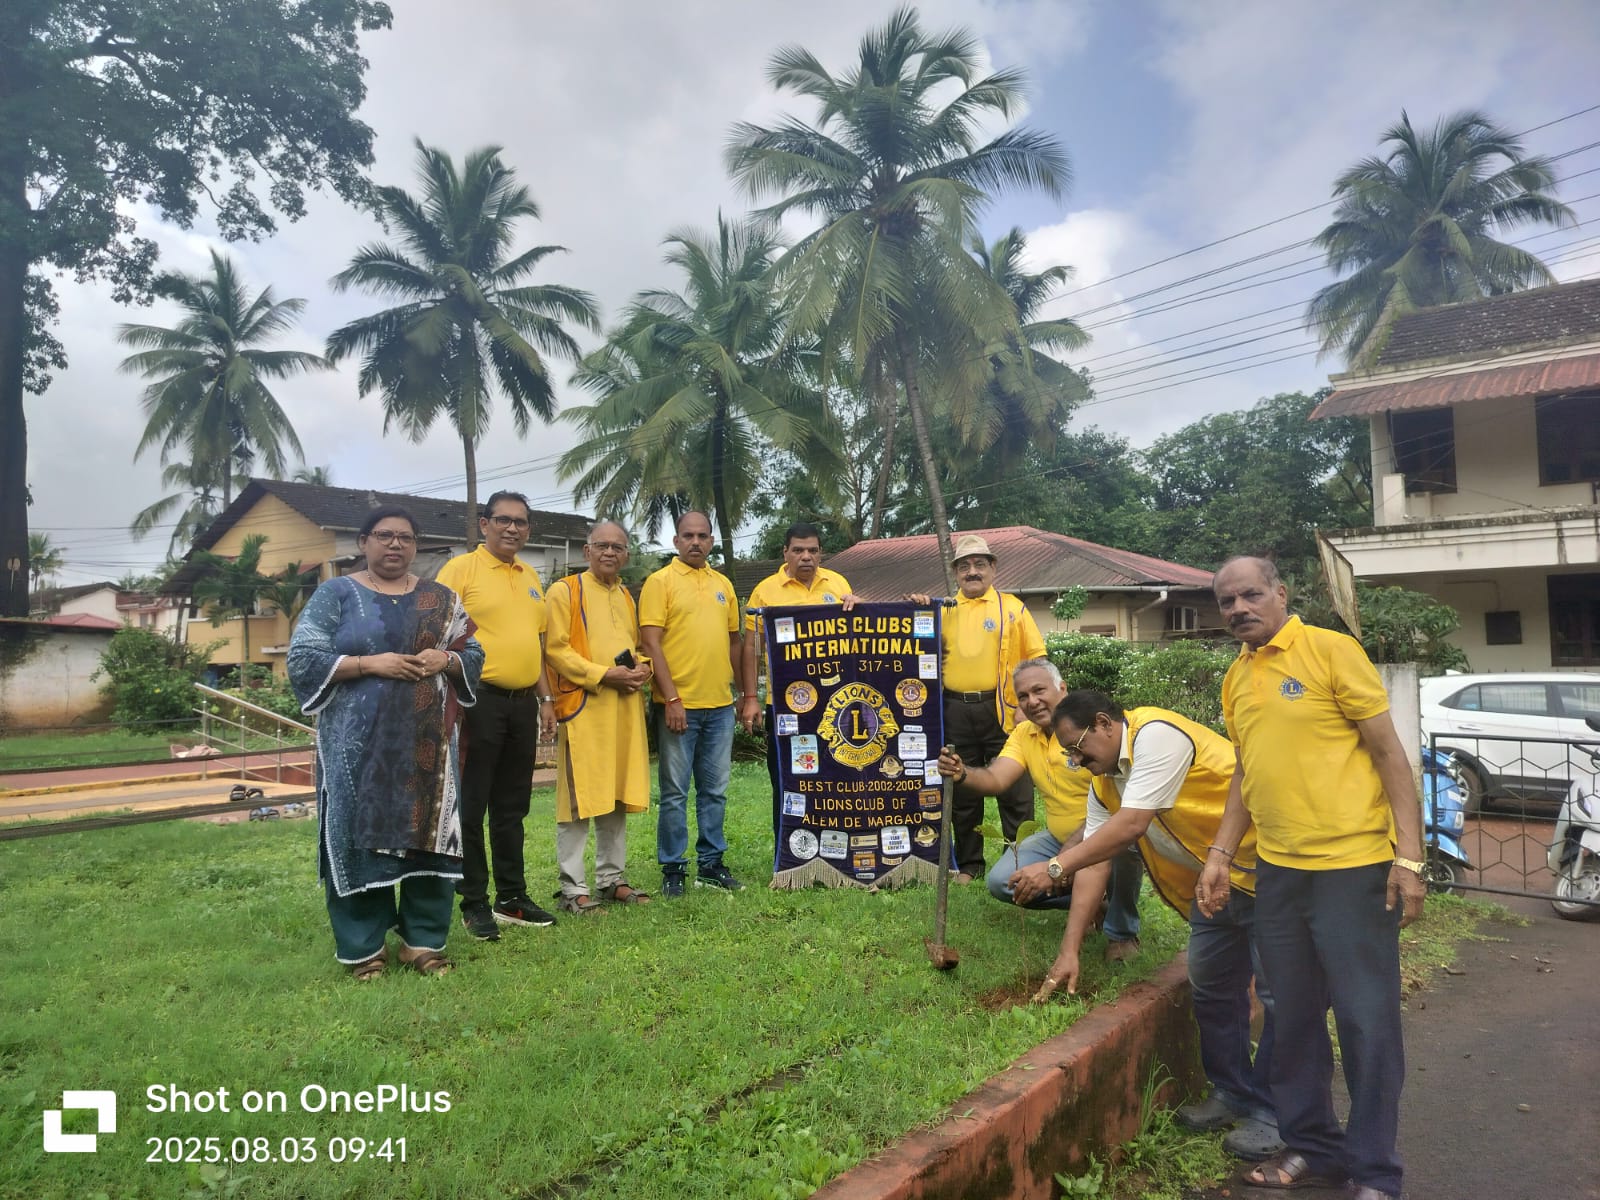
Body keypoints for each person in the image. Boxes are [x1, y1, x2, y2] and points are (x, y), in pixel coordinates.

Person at [1196, 556, 1424, 1200]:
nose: (1239, 608)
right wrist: (1219, 852)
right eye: (1227, 601)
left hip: (1352, 870)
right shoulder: (1237, 676)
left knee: (1365, 1022)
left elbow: (1388, 753)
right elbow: (1246, 770)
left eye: (1250, 595)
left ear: (1280, 593)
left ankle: (1376, 1171)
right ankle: (1315, 1150)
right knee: (1291, 1019)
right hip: (1278, 873)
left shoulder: (1330, 651)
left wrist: (1408, 858)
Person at [1028, 689, 1282, 1162]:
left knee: (1276, 995)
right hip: (1212, 887)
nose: (1075, 759)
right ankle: (1233, 1094)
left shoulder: (1157, 735)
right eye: (1067, 753)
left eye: (1077, 746)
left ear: (1105, 723)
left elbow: (1132, 826)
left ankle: (1276, 1113)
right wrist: (1070, 950)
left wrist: (1053, 868)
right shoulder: (1104, 779)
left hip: (1265, 868)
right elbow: (1098, 861)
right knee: (1211, 988)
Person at [288, 506, 483, 979]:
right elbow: (303, 658)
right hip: (357, 749)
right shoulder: (335, 594)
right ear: (363, 542)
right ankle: (364, 949)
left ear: (416, 545)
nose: (395, 545)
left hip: (428, 746)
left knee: (432, 837)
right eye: (384, 536)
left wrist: (446, 659)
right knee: (358, 839)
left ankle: (423, 944)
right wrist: (371, 664)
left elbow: (472, 651)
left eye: (405, 537)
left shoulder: (441, 598)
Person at [936, 660, 1142, 957]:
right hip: (1056, 838)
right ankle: (1094, 901)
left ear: (1062, 688)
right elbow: (996, 778)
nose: (1032, 701)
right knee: (1001, 882)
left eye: (1039, 690)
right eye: (1022, 696)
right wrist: (962, 773)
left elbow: (1117, 810)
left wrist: (1065, 858)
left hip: (1104, 835)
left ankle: (1122, 932)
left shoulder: (1087, 730)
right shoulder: (1024, 734)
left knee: (1126, 847)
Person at [434, 491, 558, 941]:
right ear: (484, 524)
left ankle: (512, 897)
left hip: (523, 703)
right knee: (471, 805)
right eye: (503, 520)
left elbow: (536, 644)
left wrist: (546, 700)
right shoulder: (461, 569)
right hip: (475, 700)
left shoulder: (530, 576)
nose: (512, 529)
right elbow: (439, 631)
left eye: (521, 522)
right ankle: (474, 902)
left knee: (512, 807)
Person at [913, 534, 1045, 887]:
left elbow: (1037, 659)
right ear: (955, 572)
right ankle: (970, 864)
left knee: (1015, 792)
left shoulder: (1012, 608)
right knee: (962, 788)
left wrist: (1025, 707)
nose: (973, 572)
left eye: (980, 565)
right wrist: (918, 608)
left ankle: (1018, 861)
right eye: (965, 566)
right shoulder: (940, 609)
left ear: (993, 568)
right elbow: (907, 643)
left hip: (1004, 710)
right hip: (955, 709)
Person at [545, 520, 654, 914]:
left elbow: (634, 648)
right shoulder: (564, 591)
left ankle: (612, 879)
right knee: (578, 802)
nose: (610, 552)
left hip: (623, 709)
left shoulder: (626, 595)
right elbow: (555, 650)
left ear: (626, 555)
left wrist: (642, 669)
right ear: (586, 551)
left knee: (616, 795)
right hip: (584, 710)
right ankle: (573, 888)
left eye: (618, 547)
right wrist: (604, 675)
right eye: (602, 546)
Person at [640, 511, 746, 897]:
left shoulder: (723, 584)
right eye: (688, 536)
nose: (696, 542)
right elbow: (650, 643)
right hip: (677, 705)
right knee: (674, 793)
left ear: (712, 540)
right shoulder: (659, 582)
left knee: (715, 790)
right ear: (676, 541)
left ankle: (711, 864)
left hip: (720, 706)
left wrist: (744, 694)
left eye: (703, 536)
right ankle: (673, 868)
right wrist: (671, 698)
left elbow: (735, 642)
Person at [738, 522, 855, 842]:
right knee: (787, 779)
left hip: (834, 703)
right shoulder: (765, 591)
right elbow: (751, 647)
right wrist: (750, 697)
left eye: (813, 550)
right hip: (785, 705)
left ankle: (834, 843)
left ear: (821, 553)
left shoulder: (839, 583)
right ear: (785, 552)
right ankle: (788, 850)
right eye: (799, 550)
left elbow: (855, 635)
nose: (806, 557)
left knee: (833, 776)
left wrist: (858, 607)